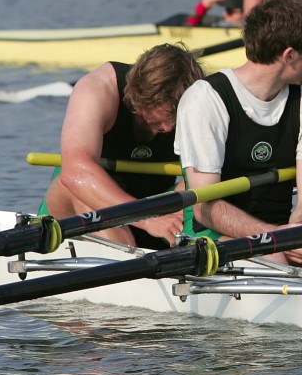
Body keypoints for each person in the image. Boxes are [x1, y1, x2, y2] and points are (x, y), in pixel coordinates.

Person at [175, 0, 302, 271]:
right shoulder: (206, 99)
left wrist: (299, 229)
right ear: (289, 55)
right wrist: (274, 238)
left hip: (280, 233)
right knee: (274, 258)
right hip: (209, 235)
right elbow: (204, 207)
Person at [42, 44, 205, 249]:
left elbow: (206, 175)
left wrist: (172, 208)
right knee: (73, 185)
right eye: (160, 118)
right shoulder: (98, 89)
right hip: (83, 201)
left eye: (175, 118)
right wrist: (146, 219)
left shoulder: (201, 102)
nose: (168, 127)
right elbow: (75, 171)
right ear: (138, 96)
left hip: (154, 206)